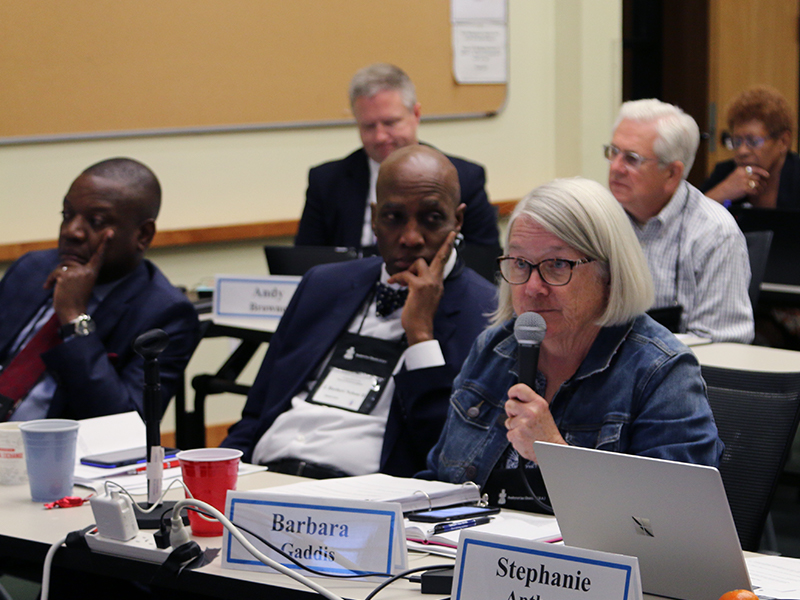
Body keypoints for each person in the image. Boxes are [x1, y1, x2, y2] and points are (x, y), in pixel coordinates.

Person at [423, 177, 723, 512]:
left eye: (557, 265)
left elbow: (675, 518)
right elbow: (440, 480)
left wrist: (552, 451)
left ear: (609, 271)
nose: (533, 287)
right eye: (521, 264)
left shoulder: (661, 372)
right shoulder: (494, 348)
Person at [222, 145, 497, 477]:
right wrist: (217, 480)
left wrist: (421, 336)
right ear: (374, 218)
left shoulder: (487, 315)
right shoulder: (323, 285)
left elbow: (451, 456)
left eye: (431, 219)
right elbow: (255, 414)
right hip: (266, 475)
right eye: (393, 218)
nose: (410, 237)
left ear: (458, 220)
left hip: (366, 495)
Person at [0, 158, 200, 422]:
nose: (72, 231)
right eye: (67, 215)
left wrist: (74, 319)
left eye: (95, 221)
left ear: (142, 235)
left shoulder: (165, 314)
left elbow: (123, 426)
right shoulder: (32, 268)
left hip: (51, 454)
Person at [294, 63, 499, 251]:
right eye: (368, 126)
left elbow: (484, 261)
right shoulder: (326, 182)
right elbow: (306, 262)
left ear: (416, 115)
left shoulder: (465, 178)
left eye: (390, 123)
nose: (380, 136)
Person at [606, 99, 754, 343]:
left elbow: (722, 343)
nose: (616, 167)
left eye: (632, 159)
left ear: (672, 173)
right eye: (613, 152)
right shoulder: (597, 218)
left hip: (680, 376)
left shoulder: (715, 233)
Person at [702, 86, 799, 210]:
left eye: (753, 141)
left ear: (783, 141)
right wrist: (722, 192)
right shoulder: (725, 173)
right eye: (736, 141)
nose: (742, 151)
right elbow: (686, 223)